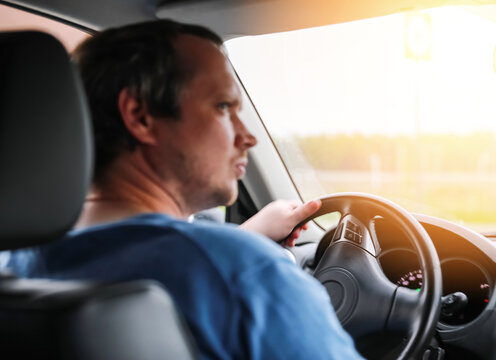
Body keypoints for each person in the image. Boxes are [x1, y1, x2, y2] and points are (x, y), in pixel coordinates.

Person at [4, 20, 363, 359]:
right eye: (223, 107)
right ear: (140, 116)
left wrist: (243, 239)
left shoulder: (17, 267)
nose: (248, 136)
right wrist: (247, 257)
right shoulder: (243, 275)